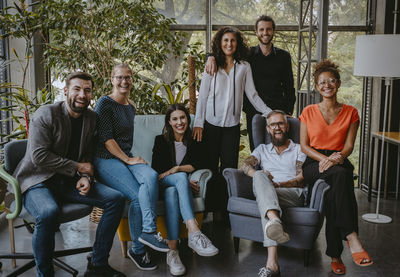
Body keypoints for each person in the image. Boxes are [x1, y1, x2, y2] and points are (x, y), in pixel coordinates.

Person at [13, 72, 126, 277]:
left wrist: (86, 177)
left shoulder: (92, 118)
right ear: (66, 91)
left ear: (91, 94)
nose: (82, 94)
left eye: (87, 90)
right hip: (38, 180)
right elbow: (39, 156)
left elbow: (89, 155)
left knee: (116, 199)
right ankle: (45, 273)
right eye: (77, 89)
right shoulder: (46, 113)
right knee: (48, 212)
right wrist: (78, 168)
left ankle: (98, 265)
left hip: (69, 182)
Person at [299, 59, 373, 275]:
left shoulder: (351, 113)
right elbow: (304, 146)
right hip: (313, 162)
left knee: (335, 191)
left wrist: (335, 157)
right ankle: (350, 235)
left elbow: (349, 146)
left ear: (338, 84)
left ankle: (335, 255)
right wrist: (324, 159)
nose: (327, 85)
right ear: (316, 86)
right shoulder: (308, 111)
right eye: (322, 82)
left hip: (339, 159)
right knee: (341, 177)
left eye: (331, 81)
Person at [93, 63, 169, 271]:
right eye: (119, 77)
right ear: (111, 79)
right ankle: (137, 249)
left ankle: (148, 232)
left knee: (151, 176)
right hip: (105, 159)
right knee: (136, 195)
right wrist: (128, 161)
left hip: (125, 157)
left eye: (128, 77)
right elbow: (107, 140)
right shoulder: (104, 103)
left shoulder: (131, 106)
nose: (124, 81)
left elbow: (125, 141)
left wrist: (130, 158)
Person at [193, 26, 271, 222]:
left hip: (232, 126)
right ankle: (210, 211)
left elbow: (252, 95)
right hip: (210, 125)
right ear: (220, 43)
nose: (229, 44)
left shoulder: (244, 66)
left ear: (238, 44)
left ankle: (225, 212)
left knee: (228, 169)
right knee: (210, 167)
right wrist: (198, 123)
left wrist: (269, 112)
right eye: (225, 40)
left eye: (233, 41)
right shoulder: (211, 65)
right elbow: (202, 97)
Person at [206, 15, 295, 151]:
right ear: (256, 32)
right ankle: (258, 173)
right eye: (262, 30)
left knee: (280, 148)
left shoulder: (284, 56)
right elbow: (225, 53)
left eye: (268, 29)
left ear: (273, 31)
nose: (265, 33)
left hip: (277, 109)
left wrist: (288, 110)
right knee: (257, 148)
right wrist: (210, 56)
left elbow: (289, 86)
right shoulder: (247, 54)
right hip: (254, 111)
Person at [152, 104, 219, 276]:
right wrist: (178, 175)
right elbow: (157, 170)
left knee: (174, 191)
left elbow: (203, 163)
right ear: (169, 122)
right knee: (180, 179)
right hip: (162, 183)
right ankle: (194, 232)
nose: (179, 122)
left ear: (188, 120)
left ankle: (172, 252)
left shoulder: (196, 140)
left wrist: (177, 169)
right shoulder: (160, 140)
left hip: (174, 188)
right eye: (175, 119)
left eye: (182, 117)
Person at [240, 110, 306, 277]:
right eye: (273, 125)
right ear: (268, 129)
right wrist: (262, 178)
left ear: (287, 126)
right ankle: (272, 263)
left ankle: (273, 219)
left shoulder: (299, 149)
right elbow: (245, 165)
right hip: (268, 193)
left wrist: (278, 184)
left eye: (281, 123)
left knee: (264, 197)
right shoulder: (261, 149)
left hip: (292, 193)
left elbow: (302, 178)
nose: (277, 127)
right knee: (260, 177)